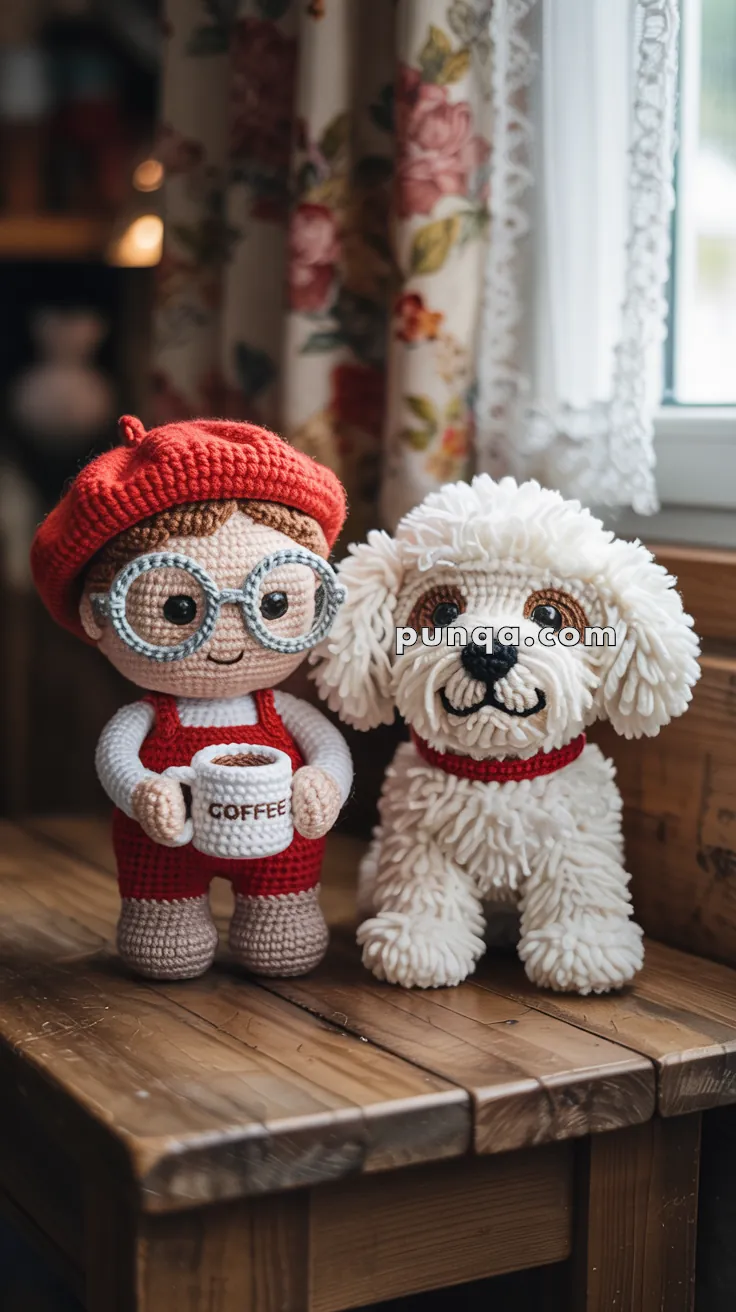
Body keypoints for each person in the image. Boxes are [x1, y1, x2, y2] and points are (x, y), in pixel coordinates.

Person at [31, 415, 353, 980]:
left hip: (281, 845)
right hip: (165, 847)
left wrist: (324, 782)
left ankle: (282, 915)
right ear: (97, 615)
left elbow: (329, 752)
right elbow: (117, 761)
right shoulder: (145, 718)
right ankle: (164, 921)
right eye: (180, 609)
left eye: (272, 603)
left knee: (285, 940)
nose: (230, 634)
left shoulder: (285, 712)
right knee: (166, 949)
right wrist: (143, 792)